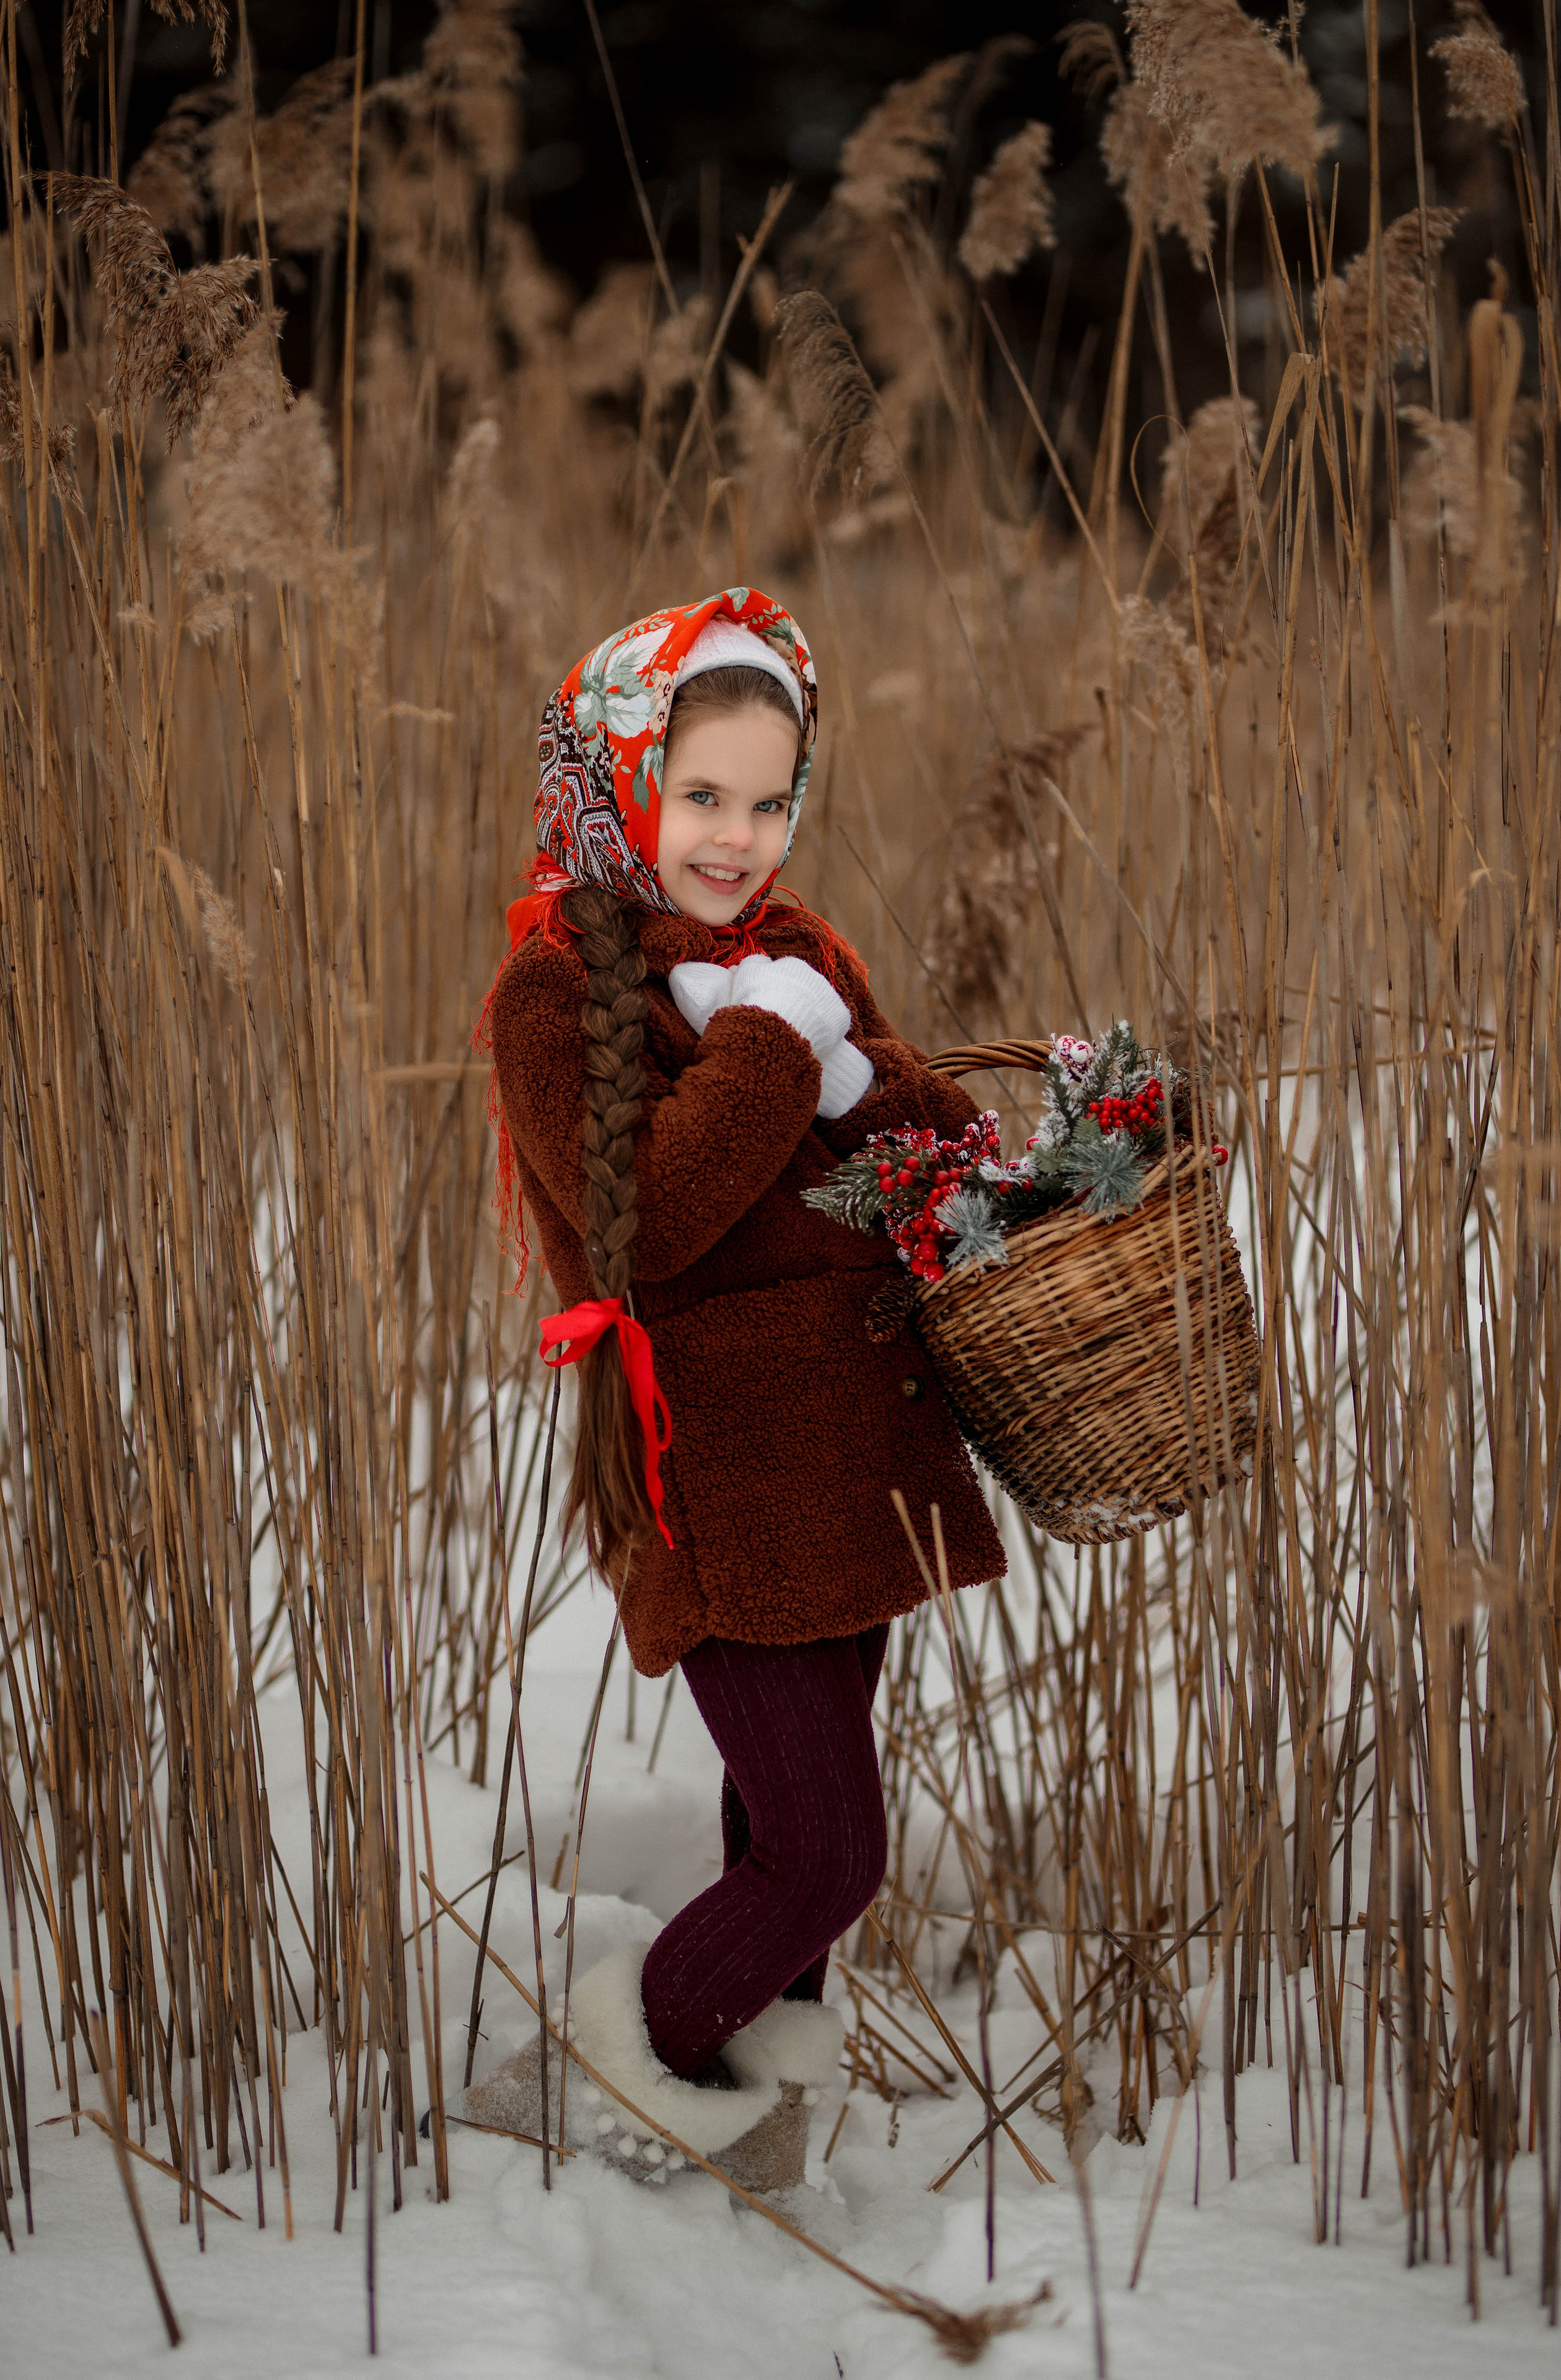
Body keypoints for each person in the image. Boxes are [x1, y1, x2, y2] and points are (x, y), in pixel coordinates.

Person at [475, 589, 1005, 2193]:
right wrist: (775, 1052)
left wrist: (850, 1066)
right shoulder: (559, 993)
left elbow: (944, 1171)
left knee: (787, 1824)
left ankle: (744, 2117)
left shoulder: (797, 958)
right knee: (833, 1852)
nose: (739, 836)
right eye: (702, 794)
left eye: (771, 800)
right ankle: (598, 2077)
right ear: (626, 777)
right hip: (713, 1467)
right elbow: (646, 1230)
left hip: (854, 1452)